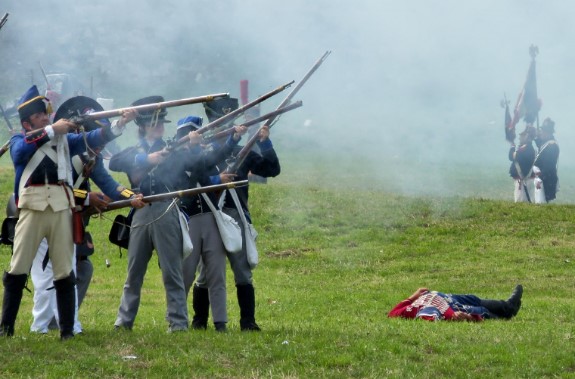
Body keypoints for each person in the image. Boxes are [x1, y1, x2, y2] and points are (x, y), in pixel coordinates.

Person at [0, 85, 123, 339]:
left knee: (65, 271)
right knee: (17, 269)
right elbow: (21, 152)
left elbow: (93, 139)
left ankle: (67, 330)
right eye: (39, 116)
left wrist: (119, 125)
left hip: (61, 208)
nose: (46, 118)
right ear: (26, 122)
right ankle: (6, 328)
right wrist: (50, 130)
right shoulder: (18, 140)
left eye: (46, 115)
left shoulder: (66, 140)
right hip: (32, 209)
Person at [29, 96, 138, 335]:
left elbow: (110, 186)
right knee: (47, 275)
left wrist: (132, 196)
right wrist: (88, 197)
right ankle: (42, 325)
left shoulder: (92, 157)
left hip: (69, 221)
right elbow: (58, 188)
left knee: (73, 271)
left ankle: (64, 321)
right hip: (45, 214)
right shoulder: (58, 150)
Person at [109, 96, 204, 332]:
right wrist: (147, 158)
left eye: (161, 122)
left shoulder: (174, 148)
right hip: (140, 210)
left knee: (172, 272)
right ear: (142, 126)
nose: (160, 126)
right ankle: (124, 321)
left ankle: (178, 323)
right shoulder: (135, 152)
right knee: (134, 273)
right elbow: (115, 163)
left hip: (166, 208)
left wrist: (194, 146)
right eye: (155, 122)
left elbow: (197, 165)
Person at [190, 121, 280, 331]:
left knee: (242, 271)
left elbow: (271, 169)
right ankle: (199, 321)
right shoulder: (204, 155)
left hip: (236, 213)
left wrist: (265, 143)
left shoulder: (244, 151)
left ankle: (248, 321)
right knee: (205, 274)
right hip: (210, 214)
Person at [176, 115, 247, 332]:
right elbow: (194, 175)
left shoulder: (201, 154)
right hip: (187, 219)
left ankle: (221, 322)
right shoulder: (175, 157)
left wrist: (234, 138)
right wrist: (216, 179)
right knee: (186, 275)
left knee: (216, 273)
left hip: (209, 216)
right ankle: (178, 321)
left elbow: (215, 158)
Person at [388, 285, 523, 321]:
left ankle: (507, 307)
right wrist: (468, 318)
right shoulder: (446, 314)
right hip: (453, 305)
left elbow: (392, 313)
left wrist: (413, 297)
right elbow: (462, 316)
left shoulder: (409, 311)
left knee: (473, 298)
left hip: (445, 296)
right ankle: (507, 311)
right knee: (480, 310)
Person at [533, 118, 559, 203]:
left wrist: (540, 179)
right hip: (543, 179)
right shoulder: (547, 143)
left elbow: (548, 167)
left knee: (542, 203)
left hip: (546, 180)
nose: (541, 133)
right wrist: (536, 137)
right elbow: (540, 145)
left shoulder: (551, 146)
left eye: (543, 131)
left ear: (548, 133)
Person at [508, 125, 536, 203]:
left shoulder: (525, 149)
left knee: (520, 202)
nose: (520, 137)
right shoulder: (527, 148)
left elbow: (511, 156)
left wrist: (512, 144)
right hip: (525, 180)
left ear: (527, 136)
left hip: (523, 181)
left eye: (522, 135)